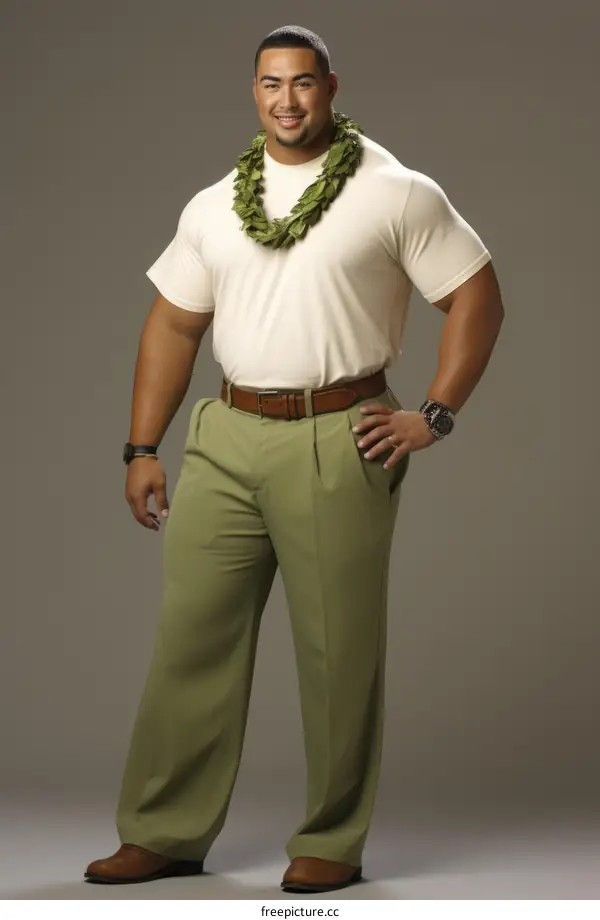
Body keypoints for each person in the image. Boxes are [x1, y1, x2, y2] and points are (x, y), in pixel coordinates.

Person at [85, 25, 504, 894]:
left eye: (303, 83)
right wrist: (141, 446)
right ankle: (163, 832)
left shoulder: (395, 190)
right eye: (271, 84)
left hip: (339, 431)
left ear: (331, 88)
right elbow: (174, 325)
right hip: (226, 437)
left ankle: (331, 840)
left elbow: (476, 294)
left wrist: (434, 415)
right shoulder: (214, 204)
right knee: (190, 642)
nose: (287, 100)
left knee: (337, 652)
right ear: (254, 92)